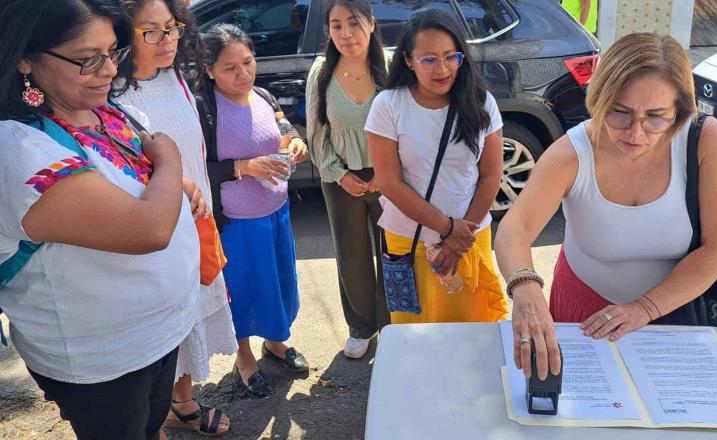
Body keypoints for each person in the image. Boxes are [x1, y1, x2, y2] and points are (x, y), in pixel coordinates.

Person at [0, 1, 201, 439]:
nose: (109, 70)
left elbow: (138, 184)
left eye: (113, 52)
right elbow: (147, 228)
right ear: (25, 60)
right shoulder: (17, 149)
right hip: (102, 360)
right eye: (88, 58)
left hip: (159, 335)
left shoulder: (107, 110)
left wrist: (175, 186)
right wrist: (169, 162)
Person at [494, 33, 717, 381]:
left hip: (678, 308)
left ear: (680, 110)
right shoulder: (573, 152)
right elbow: (514, 229)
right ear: (599, 100)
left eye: (656, 117)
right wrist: (526, 288)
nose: (636, 134)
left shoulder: (703, 138)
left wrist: (645, 308)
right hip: (584, 310)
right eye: (619, 114)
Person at [112, 0, 236, 435]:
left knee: (192, 312)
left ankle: (181, 403)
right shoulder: (112, 94)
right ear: (123, 35)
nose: (167, 40)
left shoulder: (177, 78)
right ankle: (150, 415)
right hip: (152, 228)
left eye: (173, 27)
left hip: (195, 223)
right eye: (151, 31)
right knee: (157, 325)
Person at [366, 8, 508, 324]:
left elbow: (490, 176)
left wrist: (461, 236)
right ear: (408, 60)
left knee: (472, 336)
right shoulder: (388, 106)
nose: (442, 68)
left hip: (470, 239)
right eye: (429, 59)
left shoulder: (482, 102)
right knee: (415, 340)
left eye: (450, 57)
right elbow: (390, 183)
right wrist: (447, 229)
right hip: (409, 242)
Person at [195, 24, 310, 398]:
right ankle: (244, 357)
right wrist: (244, 167)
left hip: (276, 212)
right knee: (243, 291)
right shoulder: (204, 110)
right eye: (230, 67)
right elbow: (195, 169)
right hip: (236, 222)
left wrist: (294, 143)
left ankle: (275, 343)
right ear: (209, 68)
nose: (243, 73)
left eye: (248, 61)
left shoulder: (261, 94)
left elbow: (284, 129)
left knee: (280, 283)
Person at [306, 0, 390, 359]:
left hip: (391, 177)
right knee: (352, 254)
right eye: (336, 25)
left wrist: (390, 176)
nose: (345, 34)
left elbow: (408, 127)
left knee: (394, 253)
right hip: (341, 178)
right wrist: (340, 175)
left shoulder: (391, 64)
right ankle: (360, 327)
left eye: (354, 23)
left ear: (371, 24)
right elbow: (316, 132)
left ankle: (392, 325)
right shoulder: (322, 71)